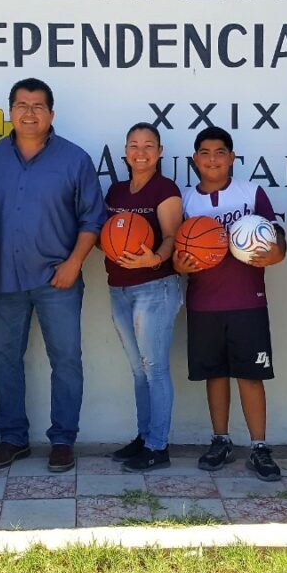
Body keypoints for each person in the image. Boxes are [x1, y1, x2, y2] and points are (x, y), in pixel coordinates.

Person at [0, 78, 106, 473]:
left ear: (51, 114)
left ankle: (63, 440)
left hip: (57, 280)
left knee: (66, 360)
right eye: (21, 105)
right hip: (4, 280)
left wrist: (74, 263)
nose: (29, 113)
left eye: (38, 106)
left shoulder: (74, 159)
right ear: (10, 111)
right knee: (4, 359)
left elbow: (92, 219)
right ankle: (12, 438)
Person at [173, 126, 286, 482]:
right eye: (204, 153)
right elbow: (176, 254)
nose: (212, 159)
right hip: (204, 303)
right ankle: (220, 439)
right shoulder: (186, 200)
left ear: (232, 157)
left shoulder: (251, 192)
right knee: (215, 375)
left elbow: (277, 237)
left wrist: (276, 254)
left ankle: (259, 446)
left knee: (251, 376)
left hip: (247, 301)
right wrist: (179, 265)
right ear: (195, 159)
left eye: (220, 152)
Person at [104, 123, 184, 473]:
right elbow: (106, 236)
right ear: (125, 151)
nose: (141, 152)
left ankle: (158, 447)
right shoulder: (116, 191)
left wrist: (154, 258)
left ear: (160, 151)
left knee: (154, 369)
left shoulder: (165, 189)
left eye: (148, 145)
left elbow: (171, 237)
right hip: (118, 287)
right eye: (134, 145)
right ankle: (143, 437)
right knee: (139, 371)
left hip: (155, 288)